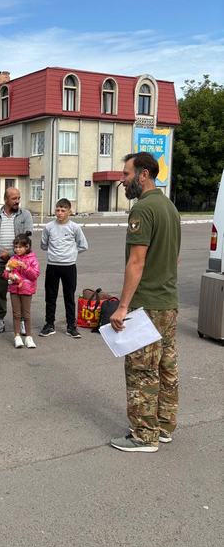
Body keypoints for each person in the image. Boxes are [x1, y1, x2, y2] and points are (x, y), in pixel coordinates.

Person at [109, 152, 181, 453]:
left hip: (147, 305)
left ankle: (143, 435)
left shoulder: (143, 209)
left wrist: (123, 306)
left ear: (143, 175)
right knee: (166, 365)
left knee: (142, 369)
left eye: (126, 174)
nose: (122, 180)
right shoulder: (169, 207)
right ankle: (163, 427)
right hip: (168, 302)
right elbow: (174, 257)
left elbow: (136, 262)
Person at [0, 188, 33, 334]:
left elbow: (26, 239)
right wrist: (1, 252)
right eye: (14, 198)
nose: (17, 201)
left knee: (21, 291)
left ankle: (22, 322)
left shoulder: (25, 215)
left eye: (18, 198)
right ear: (6, 199)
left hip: (19, 262)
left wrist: (11, 254)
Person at [39, 198, 88, 339]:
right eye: (57, 210)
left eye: (63, 210)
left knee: (69, 296)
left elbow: (83, 245)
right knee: (50, 296)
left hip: (69, 266)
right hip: (52, 266)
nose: (59, 213)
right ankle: (49, 324)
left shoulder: (74, 227)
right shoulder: (49, 227)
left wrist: (71, 253)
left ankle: (71, 326)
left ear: (69, 211)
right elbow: (43, 245)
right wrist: (54, 253)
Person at [3, 232, 40, 349]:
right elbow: (6, 272)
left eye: (20, 247)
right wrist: (8, 275)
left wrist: (25, 267)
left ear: (27, 247)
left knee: (26, 315)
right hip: (14, 289)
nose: (17, 249)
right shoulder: (12, 259)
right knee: (16, 314)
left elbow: (34, 275)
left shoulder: (32, 259)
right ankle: (17, 336)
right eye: (15, 247)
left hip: (27, 290)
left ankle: (29, 337)